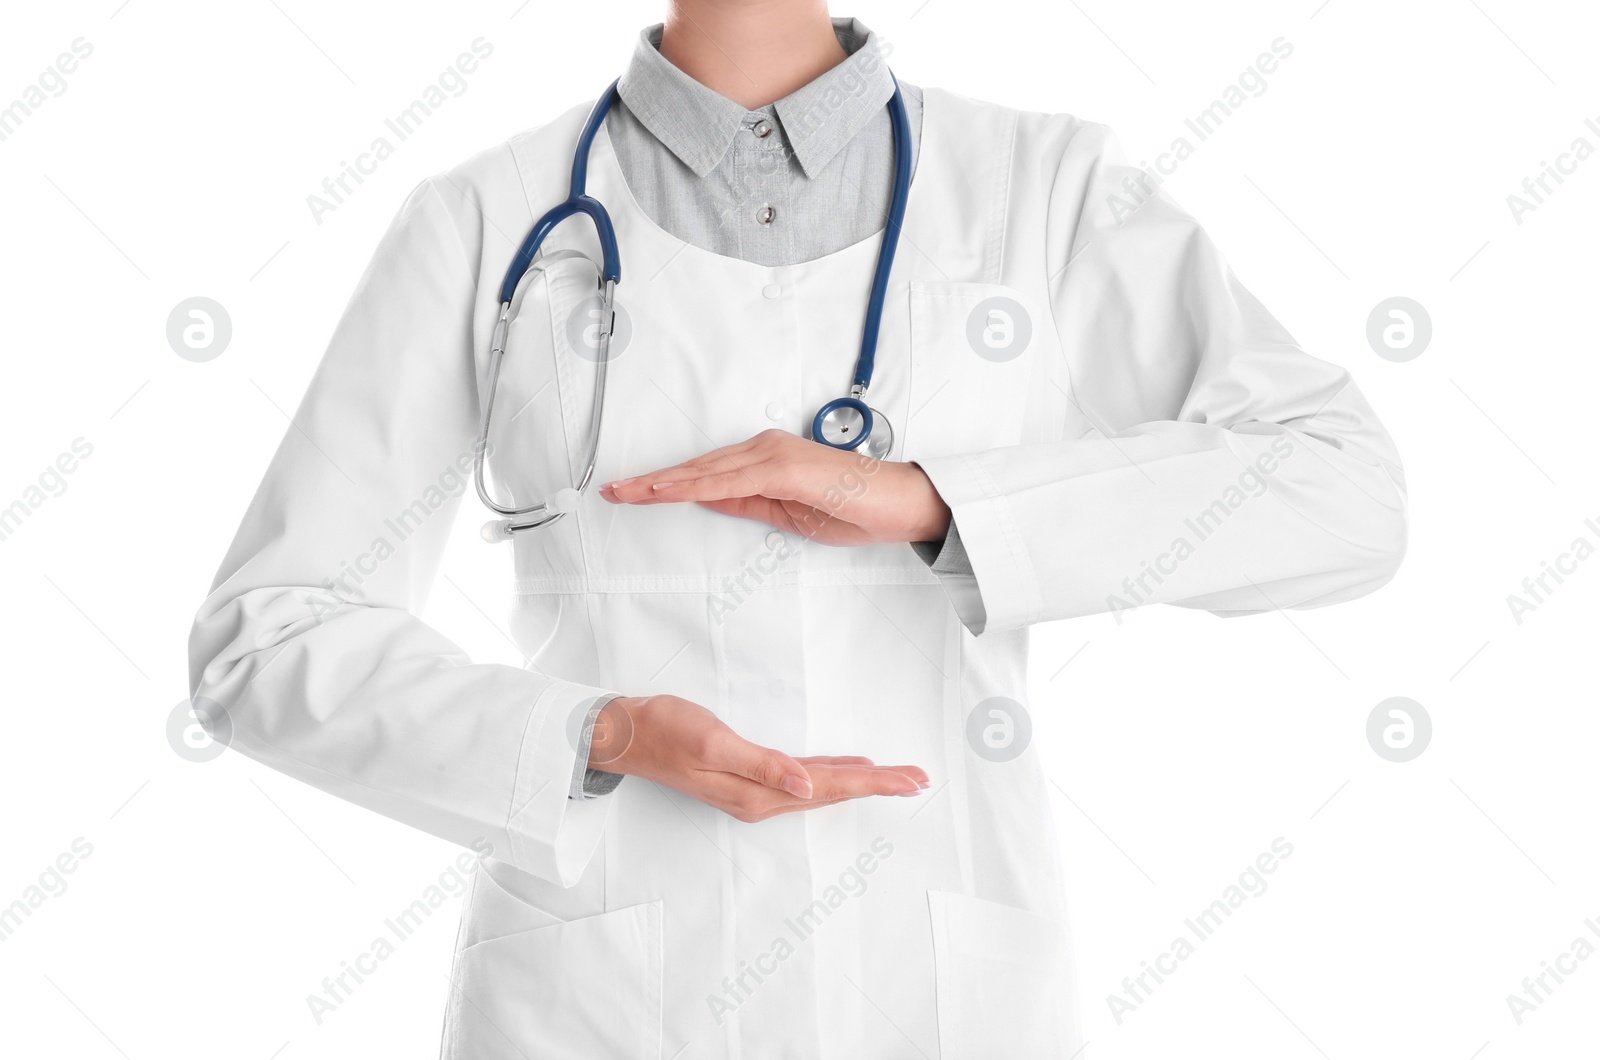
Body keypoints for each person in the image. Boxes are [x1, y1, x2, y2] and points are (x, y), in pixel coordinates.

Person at [188, 3, 1408, 1056]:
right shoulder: (485, 219)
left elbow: (1337, 490)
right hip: (601, 996)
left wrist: (933, 502)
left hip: (940, 983)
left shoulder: (1050, 190)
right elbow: (266, 638)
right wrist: (597, 734)